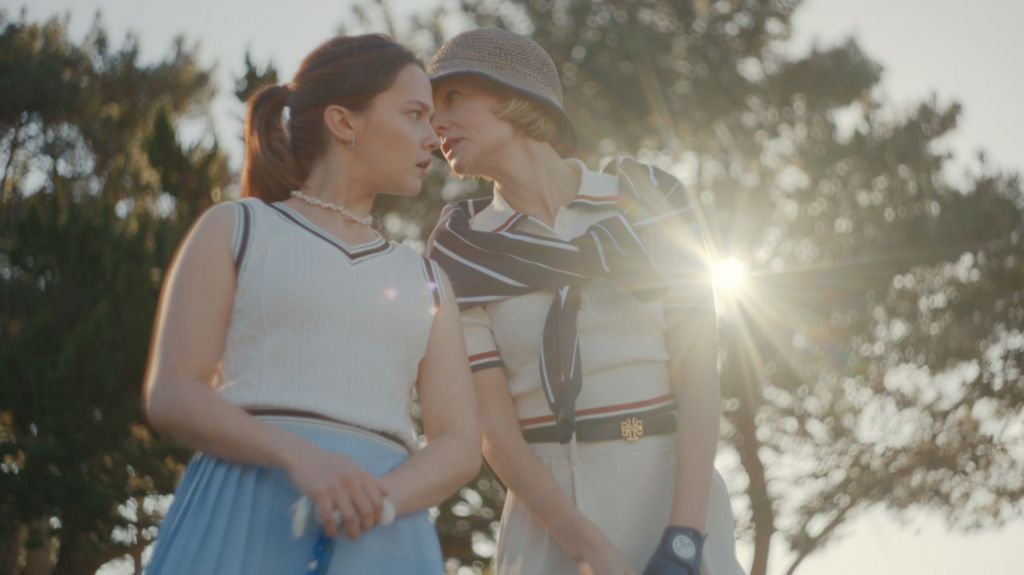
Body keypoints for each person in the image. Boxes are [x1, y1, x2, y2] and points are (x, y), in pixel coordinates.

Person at [142, 34, 480, 574]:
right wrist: (301, 458)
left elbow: (460, 444)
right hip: (244, 508)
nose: (432, 138)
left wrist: (377, 501)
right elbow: (173, 394)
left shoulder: (427, 279)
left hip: (382, 532)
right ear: (344, 123)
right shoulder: (236, 227)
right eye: (415, 114)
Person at [426, 28, 745, 575]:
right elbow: (494, 431)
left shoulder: (651, 200)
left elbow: (699, 376)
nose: (436, 122)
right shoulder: (463, 249)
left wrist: (685, 539)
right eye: (430, 109)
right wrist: (589, 552)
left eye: (452, 97)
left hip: (675, 497)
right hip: (550, 523)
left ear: (515, 94)